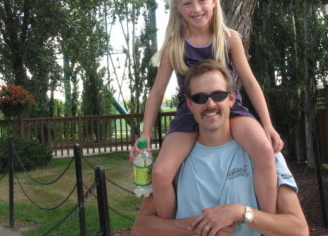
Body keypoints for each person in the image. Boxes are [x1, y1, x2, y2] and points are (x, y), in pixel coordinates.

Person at [130, 0, 283, 218]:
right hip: (190, 113)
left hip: (230, 109)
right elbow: (157, 91)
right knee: (160, 173)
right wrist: (144, 134)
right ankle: (171, 229)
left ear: (214, 0)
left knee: (265, 152)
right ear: (178, 9)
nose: (196, 8)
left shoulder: (228, 39)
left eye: (202, 0)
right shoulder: (174, 46)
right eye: (188, 3)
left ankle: (268, 223)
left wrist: (267, 125)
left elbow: (250, 82)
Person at [131, 60, 308, 236]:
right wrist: (199, 225)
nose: (210, 104)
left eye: (218, 95)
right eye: (200, 98)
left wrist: (240, 212)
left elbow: (299, 230)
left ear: (231, 99)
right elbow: (140, 228)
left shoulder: (263, 152)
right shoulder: (175, 159)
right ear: (190, 104)